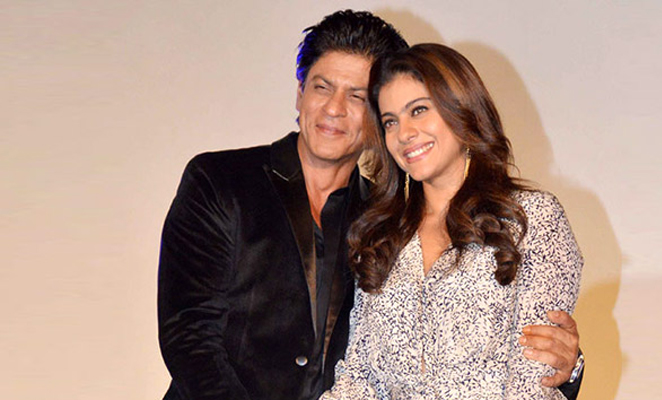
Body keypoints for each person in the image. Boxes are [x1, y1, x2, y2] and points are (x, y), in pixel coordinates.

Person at [157, 10, 583, 400]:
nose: (334, 109)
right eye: (322, 87)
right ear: (300, 93)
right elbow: (189, 334)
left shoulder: (378, 218)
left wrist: (569, 369)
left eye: (358, 97)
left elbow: (533, 363)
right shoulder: (223, 181)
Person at [321, 43, 584, 399]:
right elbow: (359, 377)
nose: (404, 133)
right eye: (390, 122)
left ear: (462, 109)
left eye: (419, 110)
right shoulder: (382, 237)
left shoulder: (530, 219)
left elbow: (532, 380)